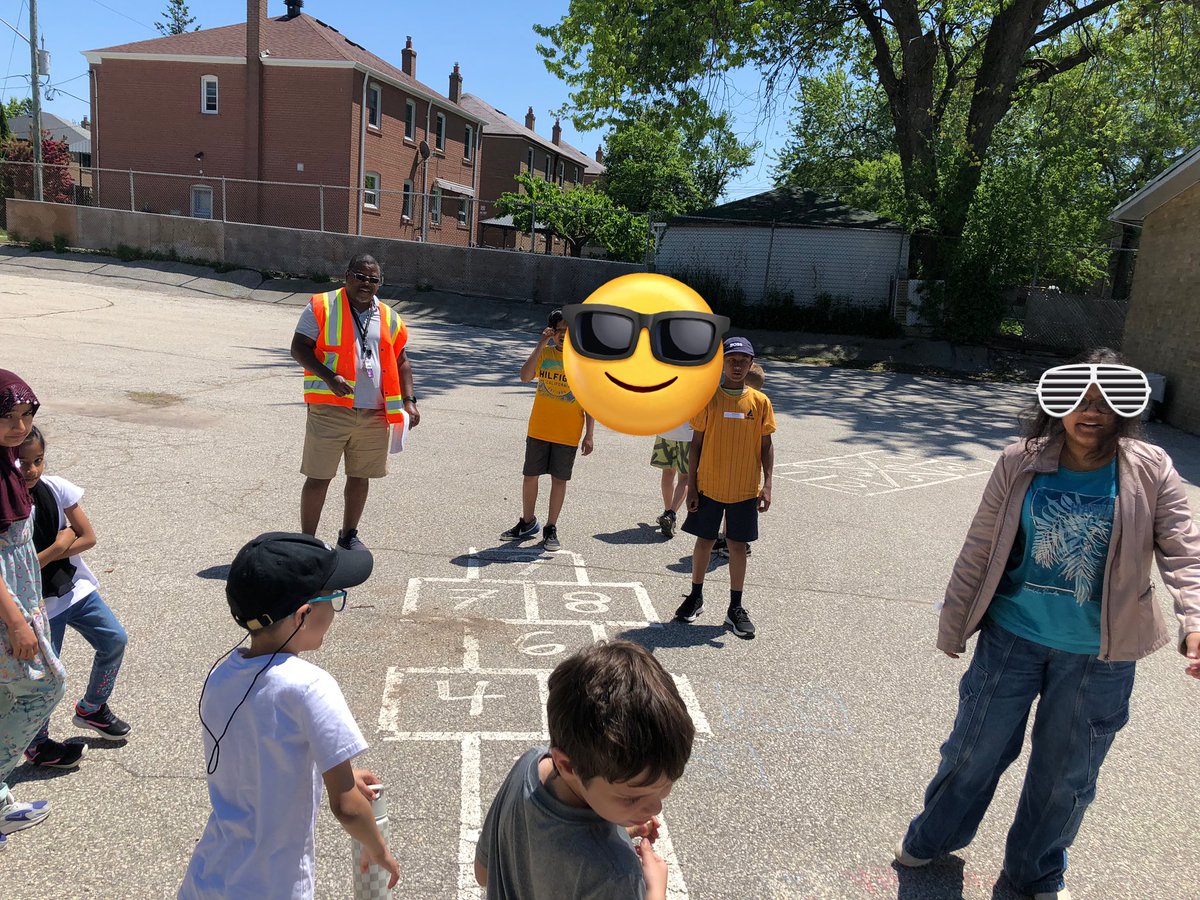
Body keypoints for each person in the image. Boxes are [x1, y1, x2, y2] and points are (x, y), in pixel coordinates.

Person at [896, 348, 1200, 900]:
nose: (1091, 411)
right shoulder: (1020, 460)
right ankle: (933, 836)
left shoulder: (1150, 467)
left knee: (1067, 777)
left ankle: (1035, 870)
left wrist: (1195, 621)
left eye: (1106, 400)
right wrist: (954, 620)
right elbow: (982, 544)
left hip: (1100, 658)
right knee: (972, 752)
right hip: (1011, 639)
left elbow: (1185, 550)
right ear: (1053, 404)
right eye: (1077, 399)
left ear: (1125, 407)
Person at [178, 532, 399, 898]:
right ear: (303, 614)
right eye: (335, 597)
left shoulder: (222, 675)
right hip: (273, 884)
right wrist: (378, 848)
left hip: (209, 876)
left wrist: (333, 770)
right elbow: (347, 807)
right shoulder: (310, 686)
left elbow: (256, 756)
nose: (337, 609)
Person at [474, 640, 695, 900]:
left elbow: (483, 872)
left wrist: (619, 828)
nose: (655, 808)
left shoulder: (529, 765)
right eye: (632, 797)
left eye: (666, 786)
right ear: (568, 766)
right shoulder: (618, 875)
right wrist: (655, 891)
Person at [291, 254, 420, 552]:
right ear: (347, 276)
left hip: (375, 412)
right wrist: (328, 376)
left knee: (360, 476)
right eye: (360, 276)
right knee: (319, 476)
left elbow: (402, 362)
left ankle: (348, 535)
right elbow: (298, 348)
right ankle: (307, 542)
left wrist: (409, 401)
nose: (366, 284)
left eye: (373, 279)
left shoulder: (389, 316)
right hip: (331, 409)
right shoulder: (322, 306)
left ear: (380, 283)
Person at [21, 426, 129, 770]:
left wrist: (51, 552)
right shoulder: (9, 503)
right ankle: (37, 744)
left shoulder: (56, 488)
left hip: (75, 591)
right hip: (37, 606)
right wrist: (58, 545)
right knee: (46, 678)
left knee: (114, 640)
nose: (31, 470)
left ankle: (92, 708)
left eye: (37, 460)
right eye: (22, 462)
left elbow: (88, 537)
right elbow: (21, 566)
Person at [0, 371, 65, 846]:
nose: (19, 427)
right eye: (7, 417)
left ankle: (1, 803)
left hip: (21, 596)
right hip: (7, 607)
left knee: (7, 694)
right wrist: (18, 620)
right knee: (46, 686)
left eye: (25, 415)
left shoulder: (7, 462)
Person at [674, 339, 775, 639]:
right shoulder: (709, 399)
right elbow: (696, 445)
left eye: (743, 359)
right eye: (731, 359)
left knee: (736, 547)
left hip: (744, 490)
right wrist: (692, 486)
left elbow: (766, 446)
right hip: (709, 486)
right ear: (722, 362)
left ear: (750, 363)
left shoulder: (760, 402)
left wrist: (767, 484)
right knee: (704, 542)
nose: (736, 365)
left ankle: (735, 607)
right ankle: (696, 596)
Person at [499, 309, 595, 553]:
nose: (563, 335)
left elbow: (590, 402)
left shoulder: (582, 362)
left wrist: (590, 434)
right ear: (551, 332)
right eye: (559, 331)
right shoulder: (546, 353)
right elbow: (524, 376)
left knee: (559, 480)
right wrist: (541, 344)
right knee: (530, 476)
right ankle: (528, 521)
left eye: (568, 331)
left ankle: (551, 527)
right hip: (540, 428)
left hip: (568, 433)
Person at [713, 362, 765, 558]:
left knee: (735, 508)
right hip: (730, 467)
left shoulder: (755, 405)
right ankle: (728, 537)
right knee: (730, 507)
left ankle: (735, 543)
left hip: (743, 470)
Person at [651, 419, 691, 538]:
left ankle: (667, 511)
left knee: (667, 473)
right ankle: (671, 514)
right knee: (685, 477)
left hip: (666, 430)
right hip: (688, 433)